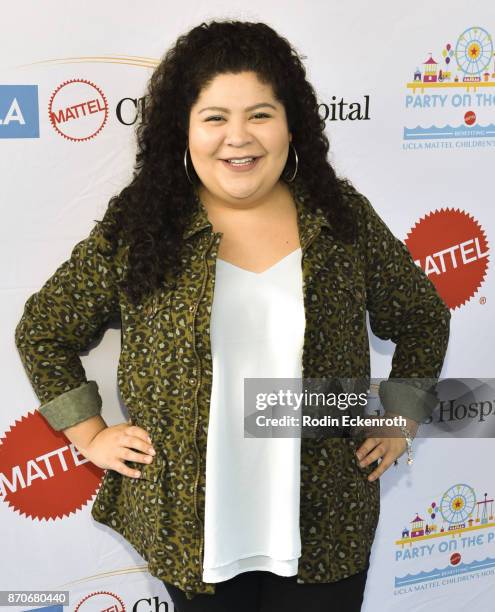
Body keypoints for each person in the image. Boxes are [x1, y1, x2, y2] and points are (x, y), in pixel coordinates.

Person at [14, 19, 451, 612]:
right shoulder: (144, 223)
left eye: (260, 115)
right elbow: (44, 330)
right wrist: (89, 433)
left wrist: (402, 415)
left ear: (291, 124)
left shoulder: (339, 217)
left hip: (327, 527)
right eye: (215, 117)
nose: (238, 138)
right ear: (184, 130)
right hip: (191, 535)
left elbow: (423, 316)